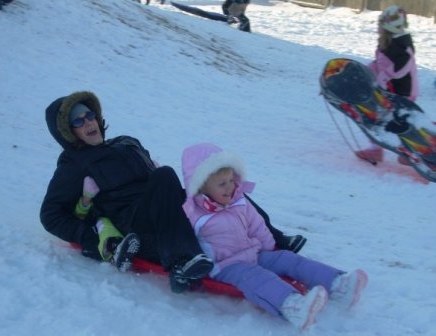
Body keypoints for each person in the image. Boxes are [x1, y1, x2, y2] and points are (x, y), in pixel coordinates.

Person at [40, 91, 305, 293]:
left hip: (163, 205)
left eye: (89, 114)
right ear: (68, 132)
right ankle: (182, 262)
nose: (88, 121)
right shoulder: (73, 163)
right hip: (134, 220)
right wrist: (92, 240)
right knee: (165, 174)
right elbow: (51, 215)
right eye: (78, 120)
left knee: (216, 184)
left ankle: (275, 239)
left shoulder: (126, 142)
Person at [180, 142, 368, 330]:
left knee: (287, 259)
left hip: (254, 253)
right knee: (257, 278)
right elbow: (183, 240)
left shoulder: (239, 201)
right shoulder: (193, 214)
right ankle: (293, 306)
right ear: (201, 186)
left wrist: (270, 248)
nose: (229, 187)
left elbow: (257, 226)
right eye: (222, 184)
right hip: (226, 265)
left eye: (231, 180)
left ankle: (338, 284)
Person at [356, 5, 418, 164]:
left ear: (387, 27)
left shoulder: (401, 46)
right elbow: (380, 64)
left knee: (398, 122)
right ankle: (375, 150)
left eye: (380, 24)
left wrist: (383, 78)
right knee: (376, 117)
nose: (377, 27)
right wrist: (367, 72)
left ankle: (411, 153)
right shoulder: (387, 42)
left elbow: (400, 69)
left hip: (403, 92)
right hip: (389, 89)